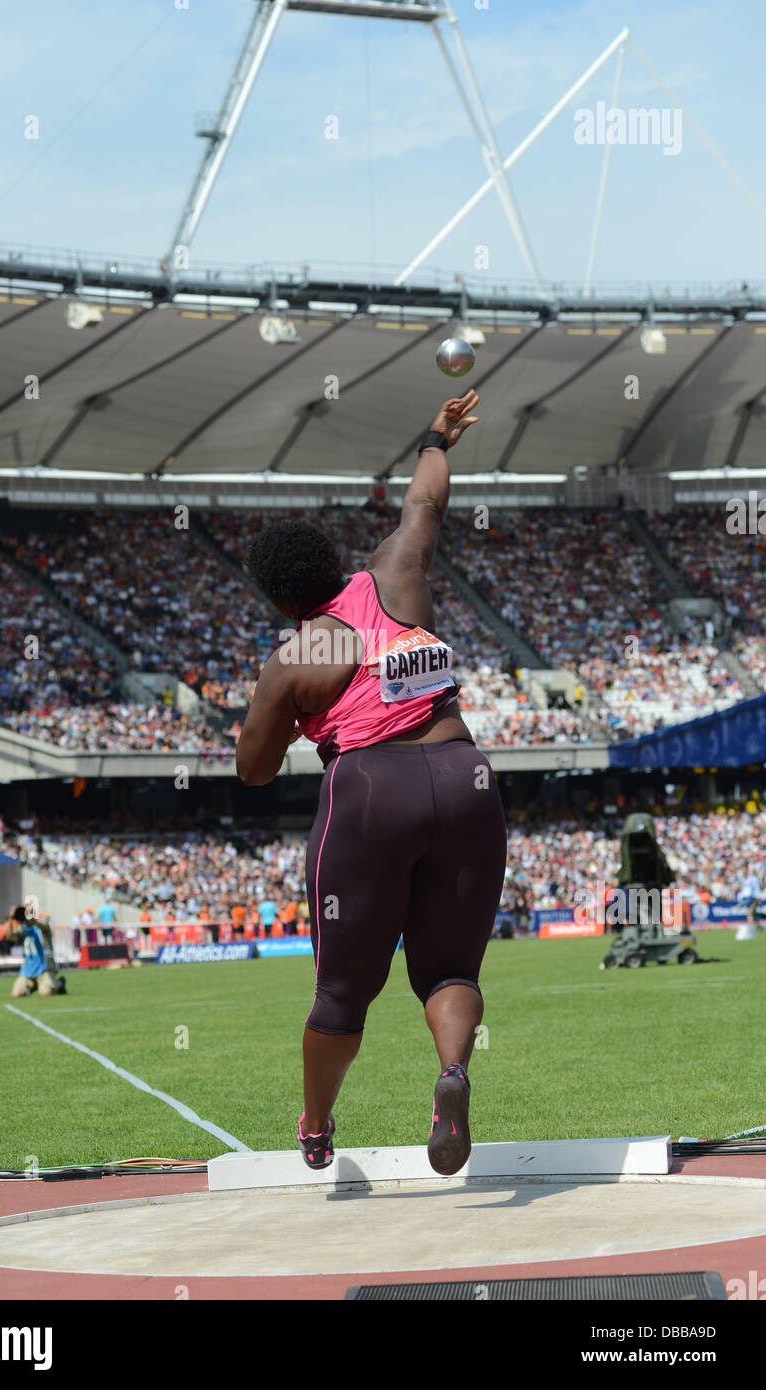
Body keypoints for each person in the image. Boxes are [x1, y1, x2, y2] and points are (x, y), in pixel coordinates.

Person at [236, 390, 507, 1176]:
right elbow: (425, 496)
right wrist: (435, 433)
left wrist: (292, 714)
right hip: (466, 776)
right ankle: (451, 1075)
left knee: (342, 992)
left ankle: (317, 1125)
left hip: (366, 795)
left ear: (280, 597)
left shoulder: (292, 658)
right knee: (450, 970)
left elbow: (251, 771)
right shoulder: (397, 569)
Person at [6, 905, 66, 997]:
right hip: (27, 970)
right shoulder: (22, 929)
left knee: (45, 993)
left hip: (44, 968)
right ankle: (35, 985)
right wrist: (11, 918)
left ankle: (59, 984)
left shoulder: (41, 926)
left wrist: (31, 919)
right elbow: (9, 936)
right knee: (16, 994)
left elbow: (42, 925)